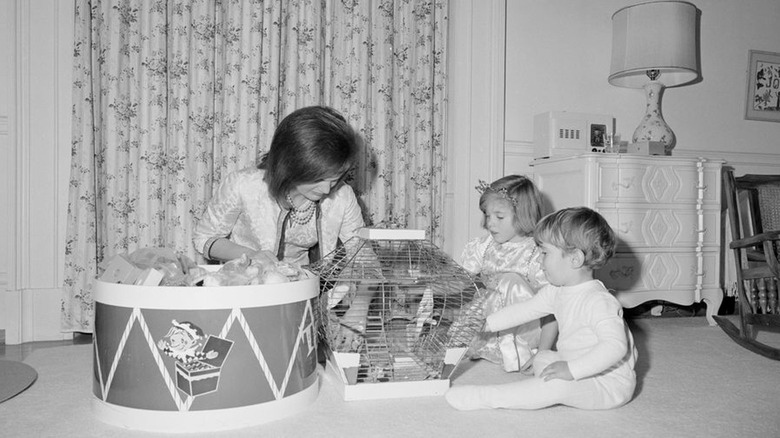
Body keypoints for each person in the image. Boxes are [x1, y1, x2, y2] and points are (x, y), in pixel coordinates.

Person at [446, 207, 637, 411]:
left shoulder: (599, 301)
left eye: (545, 253)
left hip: (607, 383)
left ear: (575, 259)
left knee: (556, 385)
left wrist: (572, 370)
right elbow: (525, 310)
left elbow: (615, 347)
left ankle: (488, 397)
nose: (539, 260)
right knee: (544, 356)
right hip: (574, 361)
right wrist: (486, 323)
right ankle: (542, 387)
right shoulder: (557, 291)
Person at [192, 105, 365, 266]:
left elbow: (364, 260)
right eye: (318, 179)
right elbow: (204, 238)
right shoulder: (244, 185)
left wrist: (359, 298)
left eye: (334, 179)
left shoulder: (342, 196)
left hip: (302, 290)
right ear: (291, 163)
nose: (327, 190)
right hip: (246, 288)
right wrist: (250, 255)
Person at [461, 175, 557, 373]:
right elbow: (461, 281)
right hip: (487, 325)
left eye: (499, 217)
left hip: (525, 330)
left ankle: (515, 348)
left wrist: (544, 352)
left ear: (523, 215)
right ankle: (485, 344)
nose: (490, 223)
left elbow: (551, 308)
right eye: (487, 215)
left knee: (511, 281)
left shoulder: (537, 253)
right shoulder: (484, 245)